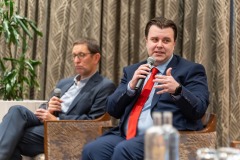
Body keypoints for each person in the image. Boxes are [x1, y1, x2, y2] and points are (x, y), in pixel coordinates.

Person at [82, 16, 209, 160]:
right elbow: (112, 109)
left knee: (124, 150)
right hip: (126, 135)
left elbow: (199, 109)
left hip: (165, 139)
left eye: (166, 40)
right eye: (155, 40)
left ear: (174, 44)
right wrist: (130, 87)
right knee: (92, 150)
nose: (159, 45)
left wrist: (178, 90)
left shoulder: (190, 70)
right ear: (146, 41)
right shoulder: (132, 71)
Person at [0, 38, 116, 160]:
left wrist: (57, 119)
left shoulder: (104, 86)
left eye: (82, 55)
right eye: (74, 56)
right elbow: (44, 108)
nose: (76, 60)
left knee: (10, 135)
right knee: (17, 110)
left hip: (66, 131)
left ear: (96, 58)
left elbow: (95, 120)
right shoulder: (64, 83)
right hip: (46, 122)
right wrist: (49, 109)